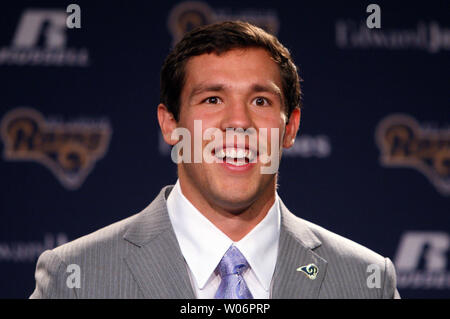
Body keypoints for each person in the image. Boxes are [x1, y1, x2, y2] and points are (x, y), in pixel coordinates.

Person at [30, 21, 400, 299]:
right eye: (212, 100)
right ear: (170, 124)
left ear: (290, 128)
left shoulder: (366, 281)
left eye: (260, 101)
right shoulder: (75, 277)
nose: (238, 122)